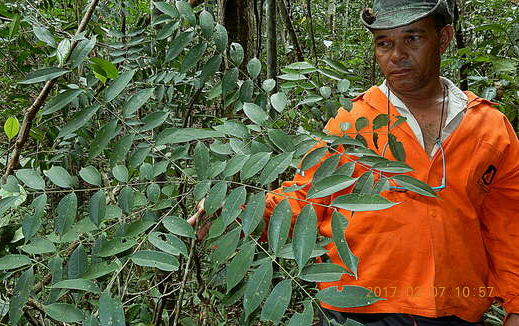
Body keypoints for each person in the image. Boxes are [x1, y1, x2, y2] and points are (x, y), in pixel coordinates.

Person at [188, 0, 519, 325]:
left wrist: (515, 304)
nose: (397, 55)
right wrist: (236, 210)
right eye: (384, 43)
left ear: (443, 39)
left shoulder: (488, 126)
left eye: (412, 38)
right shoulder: (353, 122)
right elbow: (308, 197)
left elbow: (508, 223)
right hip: (358, 305)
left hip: (455, 307)